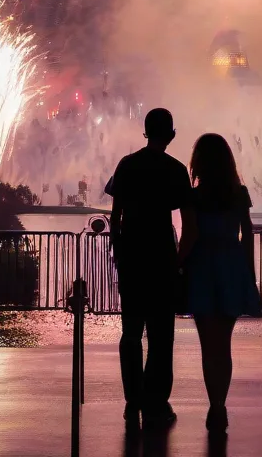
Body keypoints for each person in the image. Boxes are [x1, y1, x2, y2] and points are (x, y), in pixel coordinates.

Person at [106, 107, 193, 432]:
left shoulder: (127, 165)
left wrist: (119, 253)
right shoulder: (176, 169)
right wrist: (180, 261)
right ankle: (156, 401)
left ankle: (133, 400)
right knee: (161, 337)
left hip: (132, 259)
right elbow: (188, 223)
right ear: (170, 135)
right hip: (162, 260)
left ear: (145, 131)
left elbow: (116, 218)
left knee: (130, 333)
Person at [178, 133, 261, 436]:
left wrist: (179, 264)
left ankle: (214, 404)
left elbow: (190, 234)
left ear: (198, 161)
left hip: (202, 267)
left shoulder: (194, 195)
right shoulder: (238, 193)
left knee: (207, 345)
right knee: (223, 345)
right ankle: (219, 407)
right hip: (231, 265)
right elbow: (248, 233)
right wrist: (248, 274)